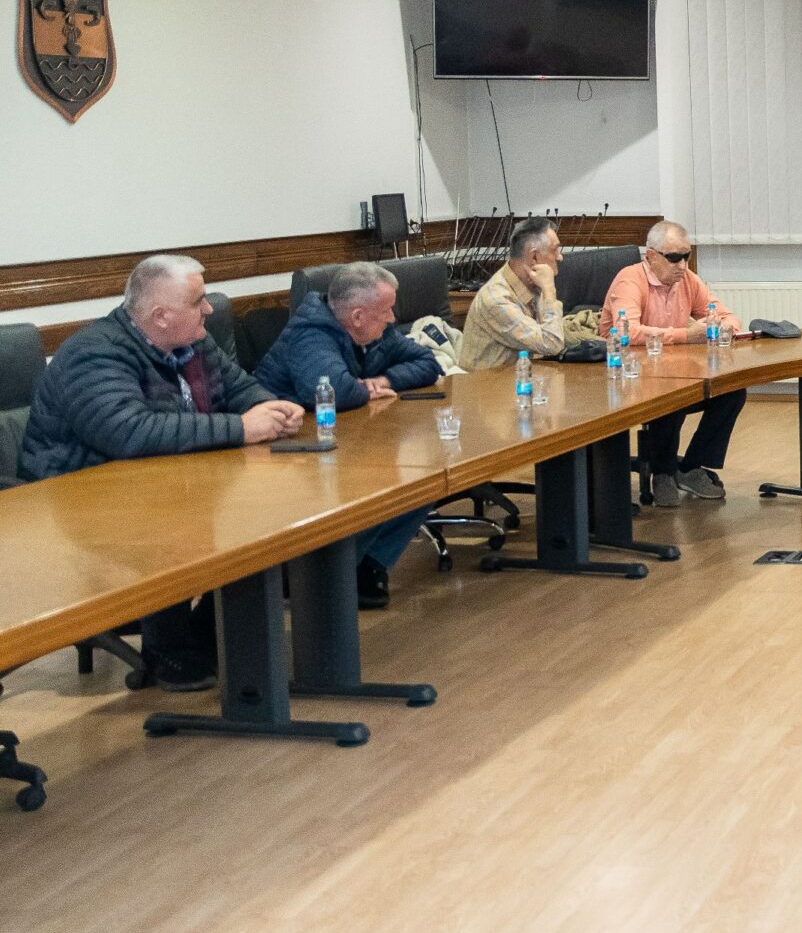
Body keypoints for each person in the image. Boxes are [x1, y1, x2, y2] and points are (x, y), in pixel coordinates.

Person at [17, 255, 304, 688]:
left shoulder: (195, 343)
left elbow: (241, 389)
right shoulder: (94, 354)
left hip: (165, 482)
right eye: (198, 300)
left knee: (275, 512)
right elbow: (129, 432)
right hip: (77, 505)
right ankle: (168, 648)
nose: (209, 308)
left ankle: (208, 635)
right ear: (160, 316)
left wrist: (273, 408)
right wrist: (242, 428)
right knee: (179, 520)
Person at [254, 262, 442, 607]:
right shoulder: (310, 333)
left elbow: (429, 364)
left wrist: (383, 380)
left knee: (424, 480)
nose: (392, 318)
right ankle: (318, 576)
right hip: (286, 452)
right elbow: (335, 392)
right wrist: (360, 389)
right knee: (373, 481)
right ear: (358, 316)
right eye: (386, 310)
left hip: (345, 437)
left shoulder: (377, 331)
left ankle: (367, 565)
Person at [603, 220, 748, 504]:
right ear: (651, 256)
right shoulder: (630, 280)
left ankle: (691, 467)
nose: (682, 265)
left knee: (731, 392)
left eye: (686, 256)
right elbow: (626, 332)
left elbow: (729, 317)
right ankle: (663, 472)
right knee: (672, 395)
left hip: (671, 371)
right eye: (673, 258)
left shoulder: (687, 280)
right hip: (626, 376)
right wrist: (686, 335)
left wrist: (723, 326)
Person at [458, 216, 566, 370]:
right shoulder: (496, 299)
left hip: (520, 377)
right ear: (534, 257)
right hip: (486, 383)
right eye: (555, 250)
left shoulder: (534, 283)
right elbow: (552, 344)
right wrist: (550, 291)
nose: (560, 257)